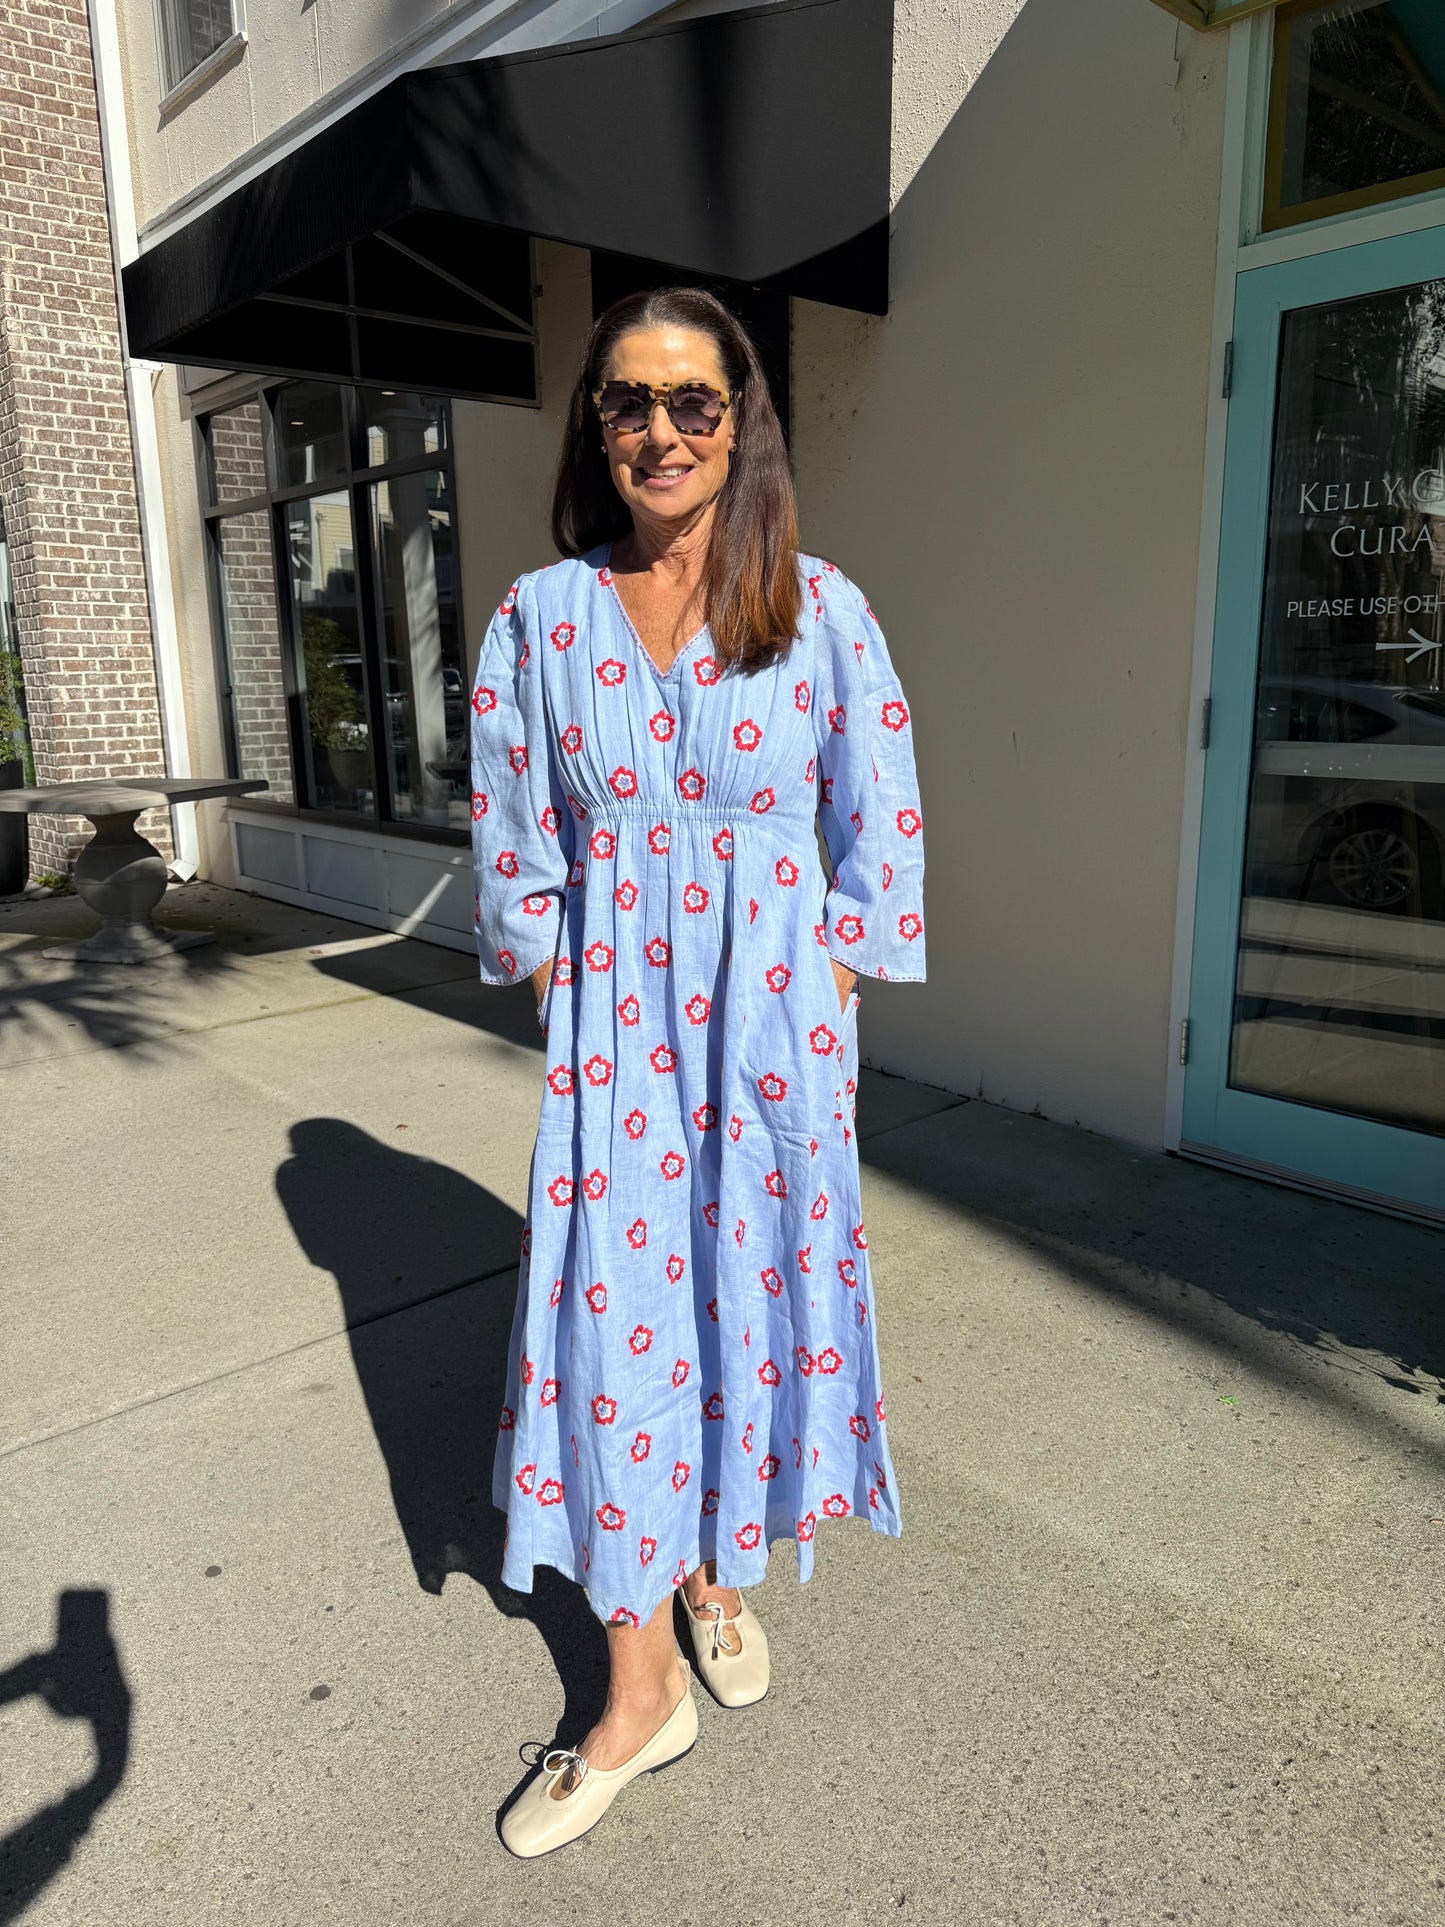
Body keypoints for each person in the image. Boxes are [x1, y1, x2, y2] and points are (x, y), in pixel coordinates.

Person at [471, 286, 926, 1858]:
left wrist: (827, 967)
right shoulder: (539, 617)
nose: (657, 432)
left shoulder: (819, 606)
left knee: (745, 1299)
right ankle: (635, 1689)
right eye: (625, 403)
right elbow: (514, 833)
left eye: (691, 403)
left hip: (771, 1039)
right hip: (615, 1041)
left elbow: (878, 819)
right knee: (613, 1333)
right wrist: (555, 970)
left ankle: (712, 1561)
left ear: (741, 423)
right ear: (593, 427)